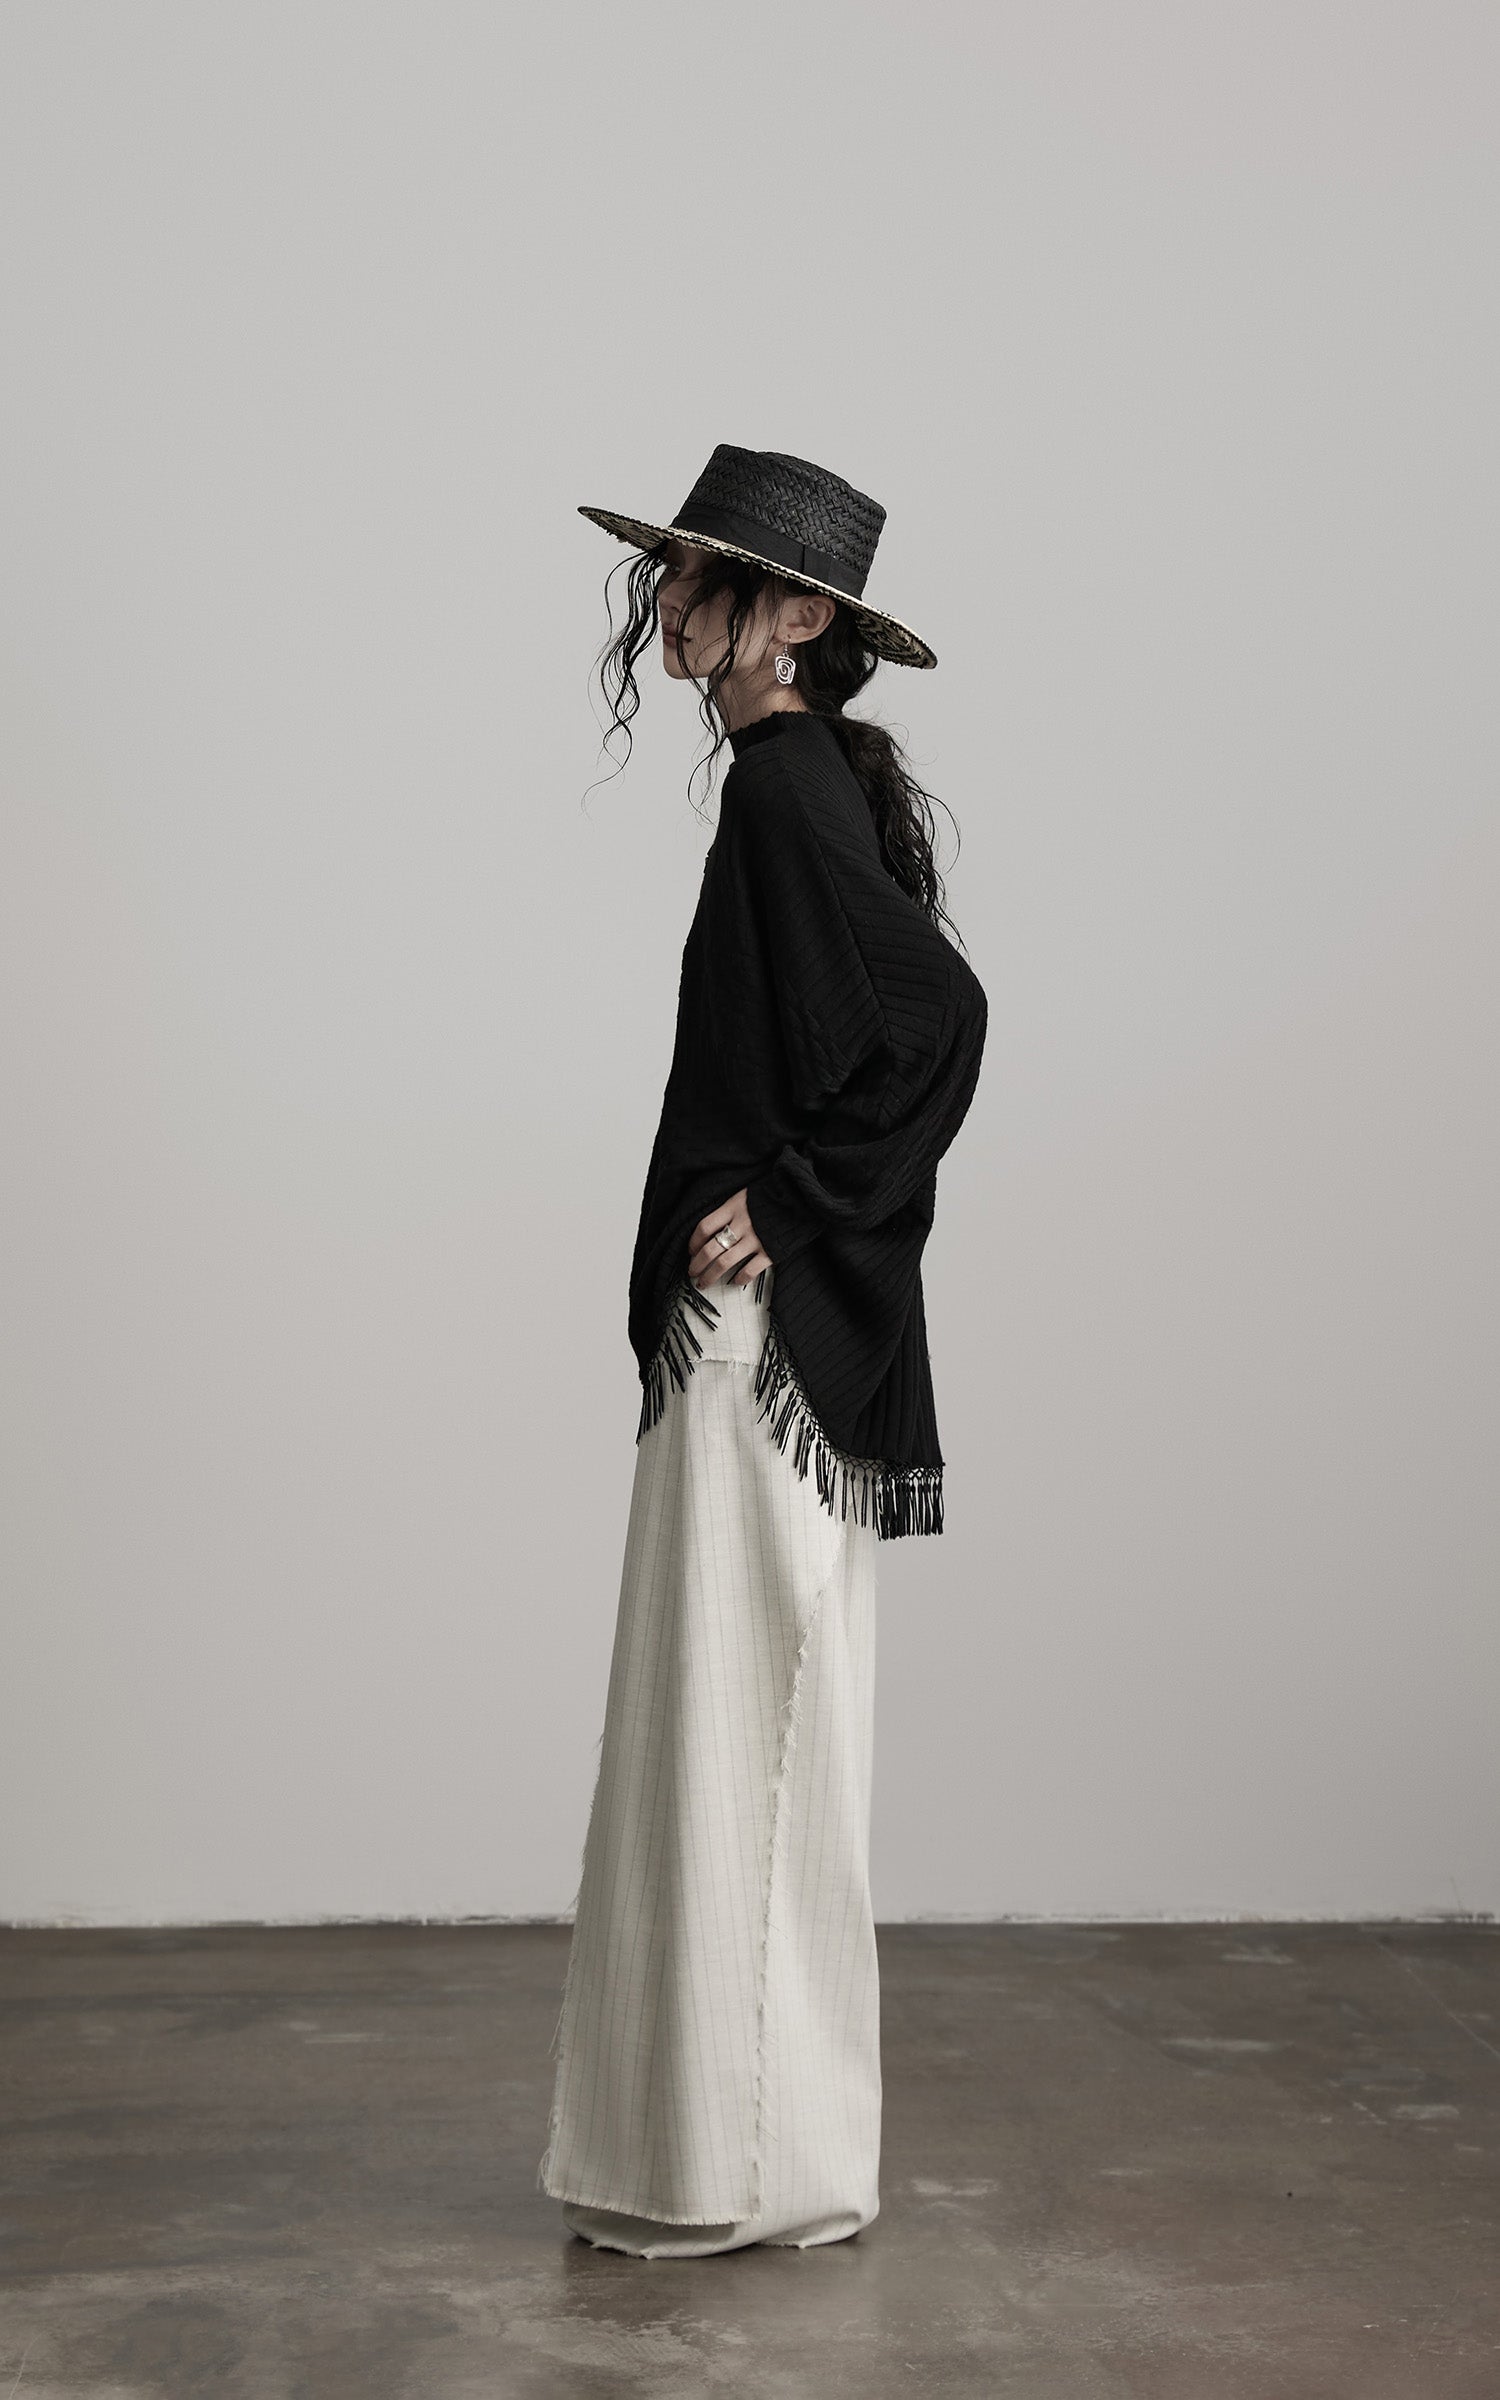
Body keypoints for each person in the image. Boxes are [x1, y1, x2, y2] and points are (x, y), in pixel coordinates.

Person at [537, 445, 988, 2256]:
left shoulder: (788, 790)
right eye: (669, 570)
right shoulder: (788, 786)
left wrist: (792, 1204)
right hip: (744, 1351)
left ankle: (733, 2175)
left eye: (702, 577)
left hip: (754, 1353)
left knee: (735, 1748)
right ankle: (753, 2165)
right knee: (734, 1747)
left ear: (795, 616)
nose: (670, 601)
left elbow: (938, 1014)